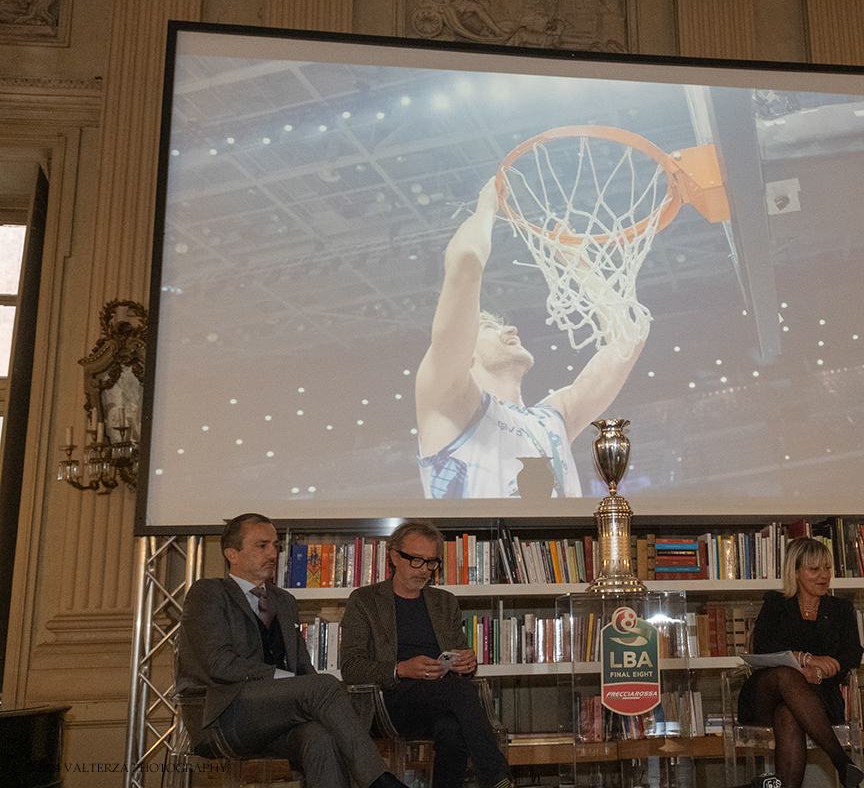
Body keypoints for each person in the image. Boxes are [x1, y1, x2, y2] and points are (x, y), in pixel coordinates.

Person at [414, 177, 647, 500]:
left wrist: (579, 264)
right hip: (479, 551)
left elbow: (627, 341)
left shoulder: (554, 416)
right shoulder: (449, 400)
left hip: (560, 552)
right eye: (490, 327)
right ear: (466, 353)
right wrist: (487, 206)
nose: (509, 329)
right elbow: (466, 259)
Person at [175, 513, 407, 788]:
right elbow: (219, 665)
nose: (273, 553)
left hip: (274, 720)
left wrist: (303, 684)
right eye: (262, 546)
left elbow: (303, 668)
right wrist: (283, 678)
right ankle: (380, 781)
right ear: (232, 554)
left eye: (275, 545)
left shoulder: (283, 601)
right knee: (322, 686)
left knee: (319, 737)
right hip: (223, 717)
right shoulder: (209, 593)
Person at [341, 520, 512, 788]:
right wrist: (401, 668)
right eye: (417, 561)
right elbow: (351, 667)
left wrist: (466, 663)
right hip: (389, 700)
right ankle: (496, 777)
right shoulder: (364, 600)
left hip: (439, 698)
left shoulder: (444, 601)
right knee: (458, 692)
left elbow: (458, 653)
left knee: (453, 730)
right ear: (395, 556)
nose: (425, 571)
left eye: (432, 563)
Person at [736, 538, 864, 788]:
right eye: (814, 569)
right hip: (766, 693)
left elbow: (853, 652)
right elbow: (762, 648)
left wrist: (820, 671)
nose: (823, 575)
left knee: (789, 713)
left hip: (817, 695)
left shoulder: (841, 609)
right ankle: (841, 761)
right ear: (795, 572)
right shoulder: (776, 603)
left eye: (827, 568)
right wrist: (806, 659)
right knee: (786, 675)